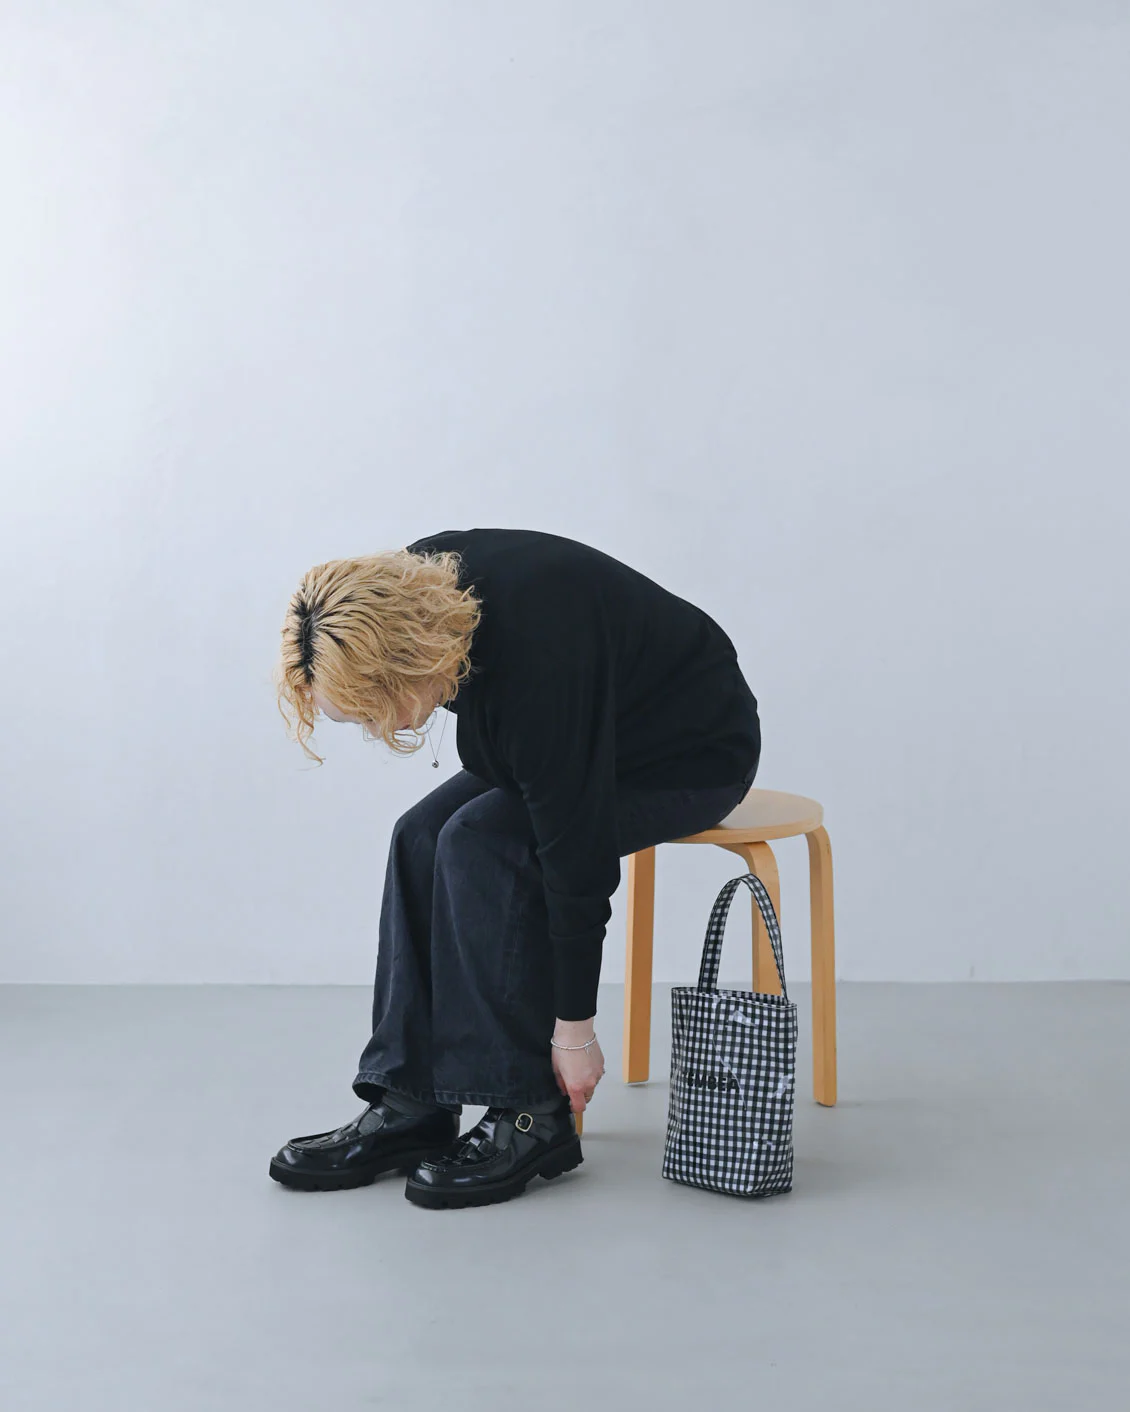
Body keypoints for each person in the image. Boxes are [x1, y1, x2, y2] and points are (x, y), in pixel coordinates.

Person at [268, 527, 761, 1210]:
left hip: (684, 752)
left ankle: (530, 1113)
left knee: (481, 842)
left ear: (405, 662)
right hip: (586, 731)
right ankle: (412, 1102)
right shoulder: (410, 595)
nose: (376, 729)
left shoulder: (537, 661)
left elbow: (575, 860)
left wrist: (575, 1032)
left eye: (370, 711)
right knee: (419, 836)